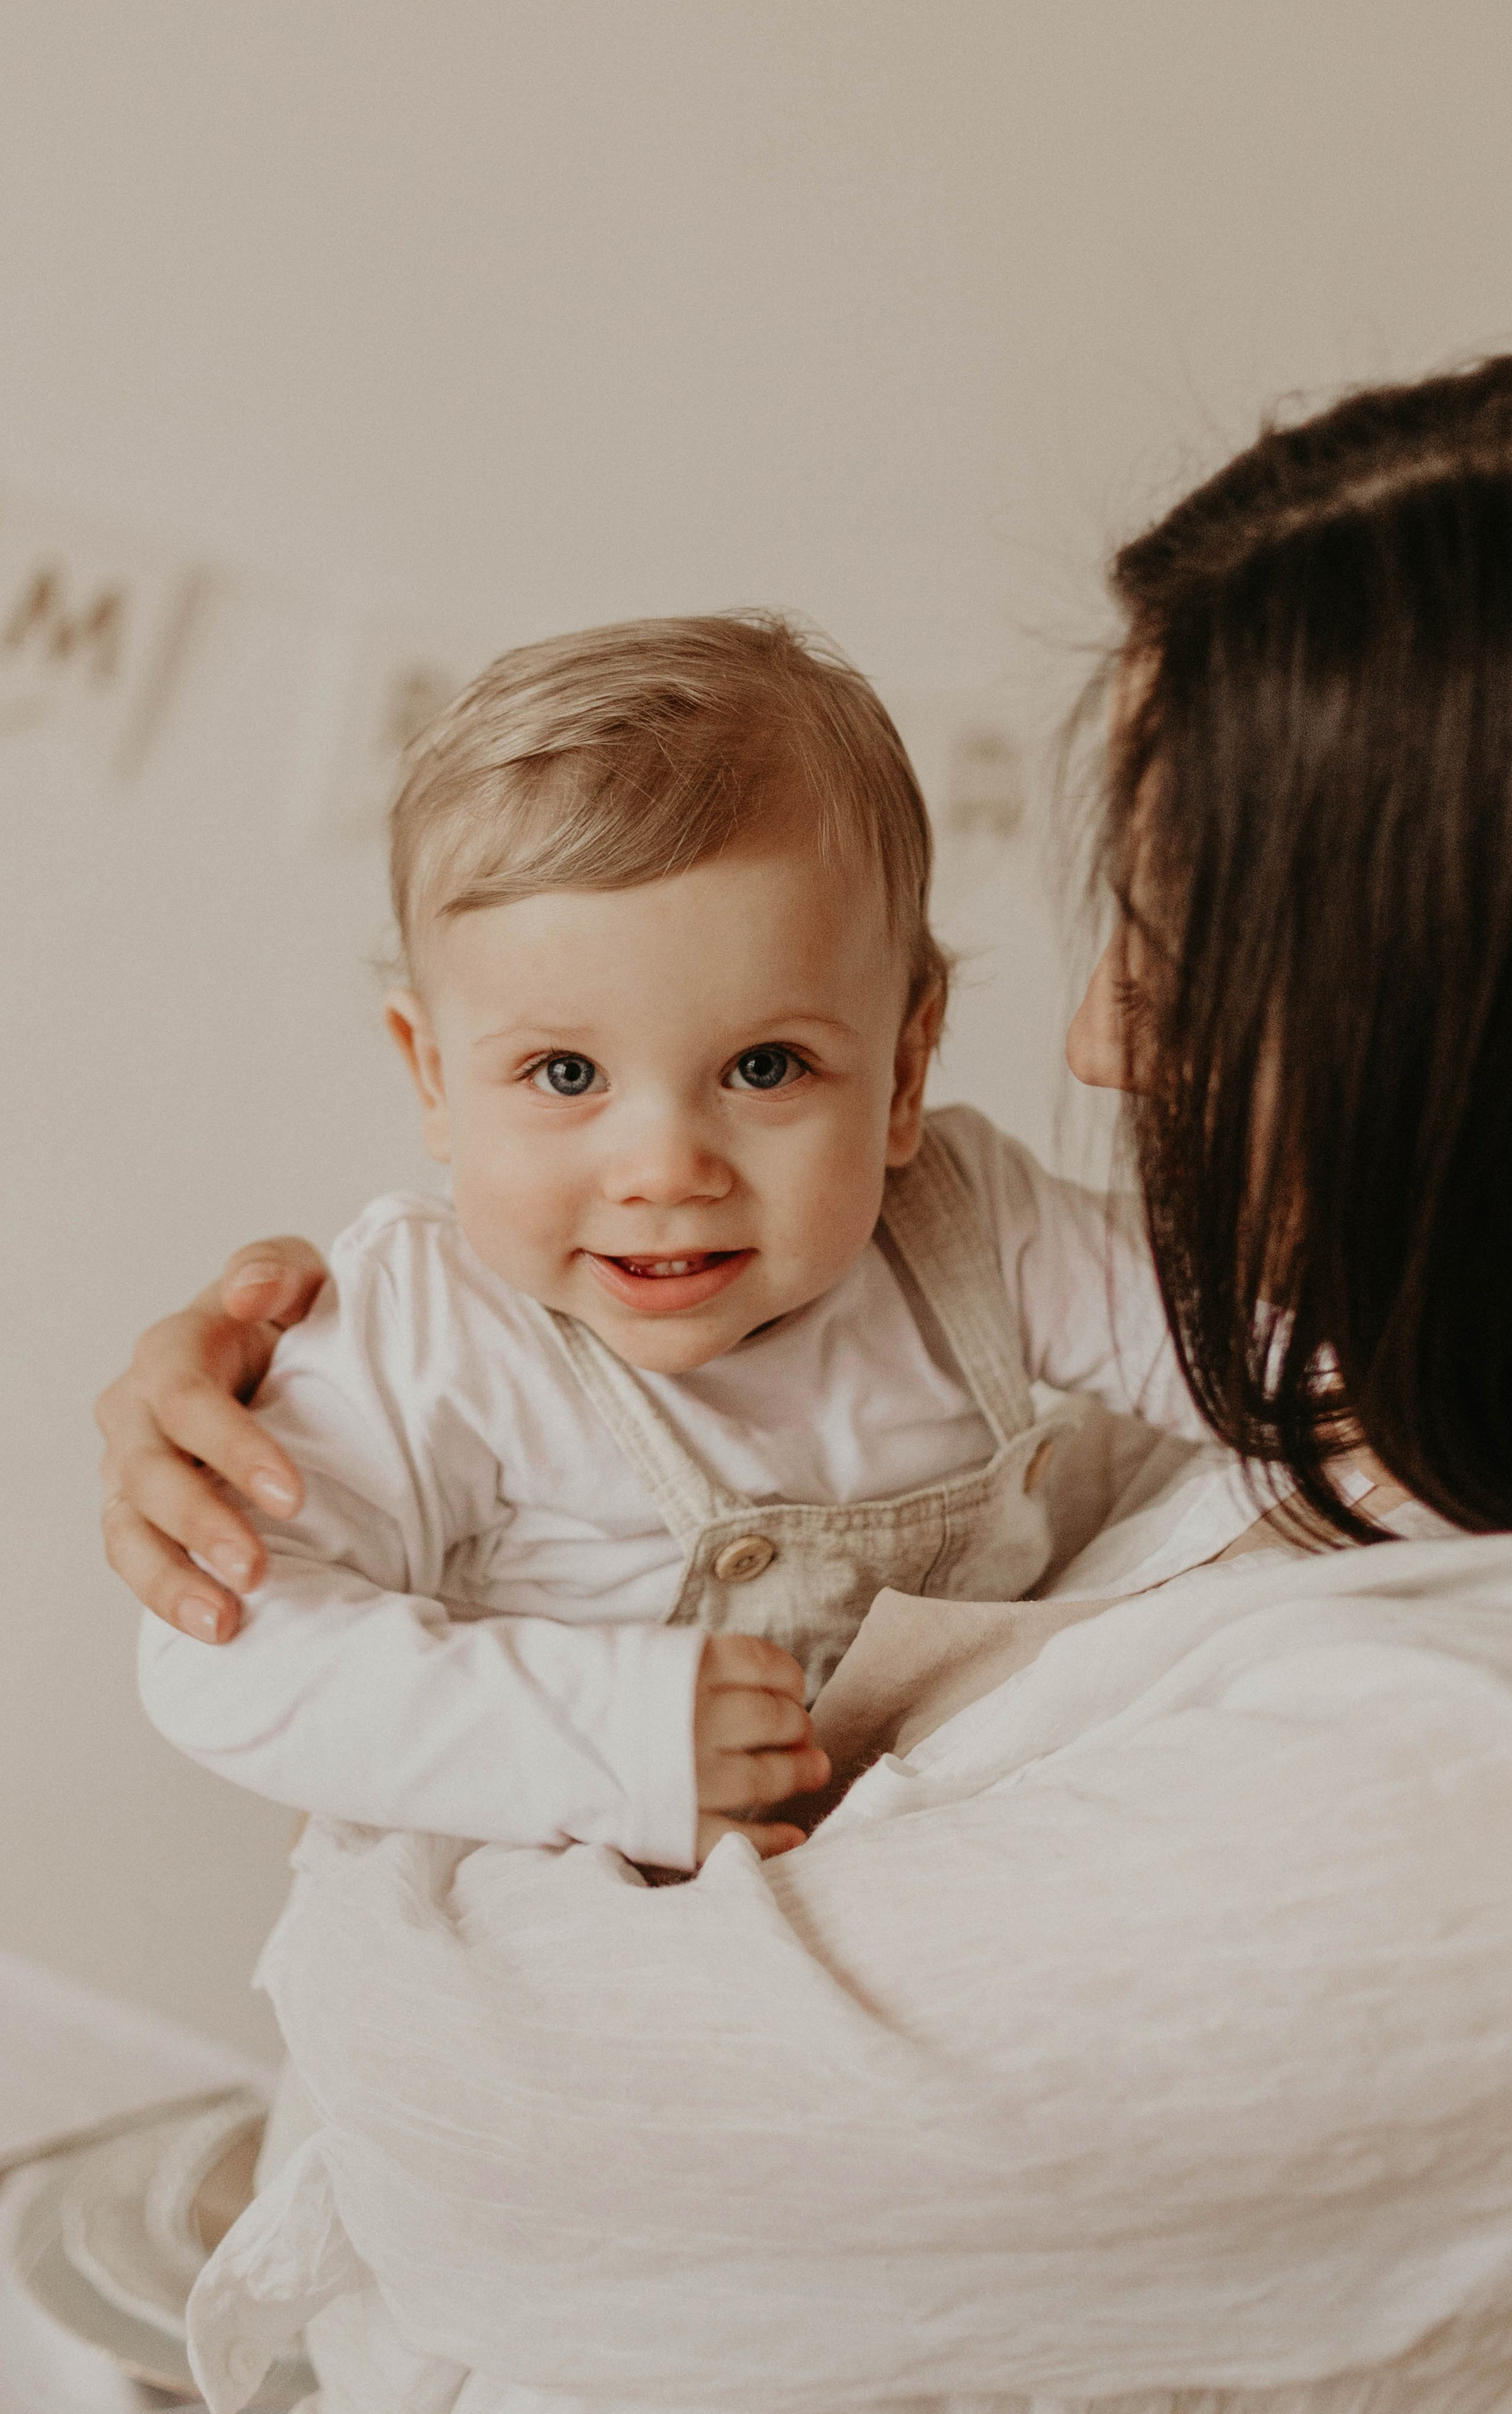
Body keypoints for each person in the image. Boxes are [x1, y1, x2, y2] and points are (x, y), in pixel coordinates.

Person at [98, 339, 1512, 2414]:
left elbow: (476, 2138)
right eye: (554, 1076)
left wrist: (476, 1764)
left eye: (1185, 933)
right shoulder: (1424, 1426)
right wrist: (296, 1492)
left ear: (1471, 1024)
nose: (1099, 1036)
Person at [136, 609, 1240, 1882]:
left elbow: (1249, 1362)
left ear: (903, 1069)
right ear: (432, 1075)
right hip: (539, 1977)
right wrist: (615, 1734)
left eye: (763, 1067)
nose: (664, 1169)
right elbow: (219, 1648)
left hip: (912, 1900)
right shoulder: (432, 1327)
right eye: (565, 1072)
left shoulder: (970, 1222)